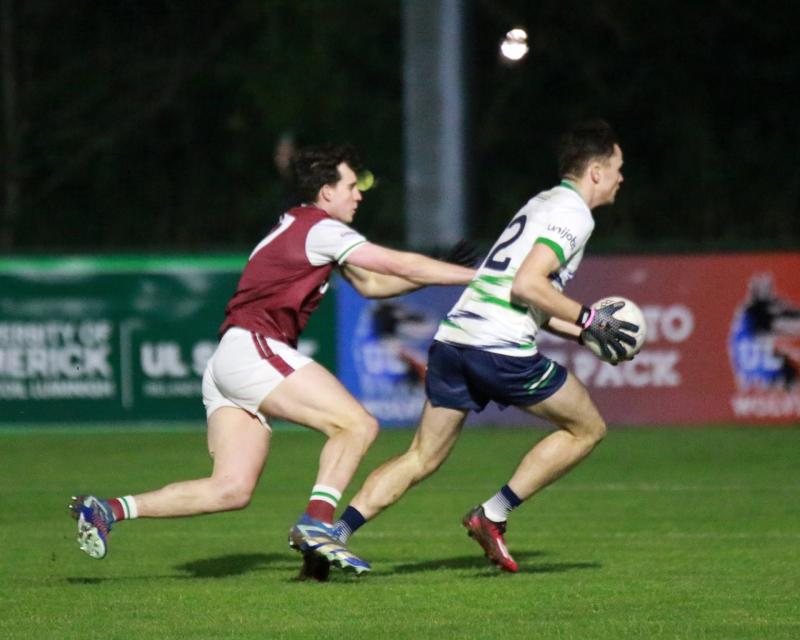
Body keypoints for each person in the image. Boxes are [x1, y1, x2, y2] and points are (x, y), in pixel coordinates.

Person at [69, 143, 476, 577]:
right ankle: (318, 523)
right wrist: (479, 276)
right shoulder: (322, 229)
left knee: (230, 489)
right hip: (253, 347)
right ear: (325, 192)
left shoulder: (301, 225)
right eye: (351, 186)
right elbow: (395, 262)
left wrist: (438, 272)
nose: (358, 195)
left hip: (230, 359)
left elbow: (375, 284)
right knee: (357, 425)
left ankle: (107, 510)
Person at [328, 119, 639, 574]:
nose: (620, 177)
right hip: (498, 346)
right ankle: (492, 514)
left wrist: (583, 333)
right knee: (587, 428)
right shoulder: (575, 214)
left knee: (421, 457)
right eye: (617, 167)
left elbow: (523, 293)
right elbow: (529, 284)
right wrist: (590, 318)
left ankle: (335, 533)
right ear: (595, 171)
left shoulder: (542, 203)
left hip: (456, 340)